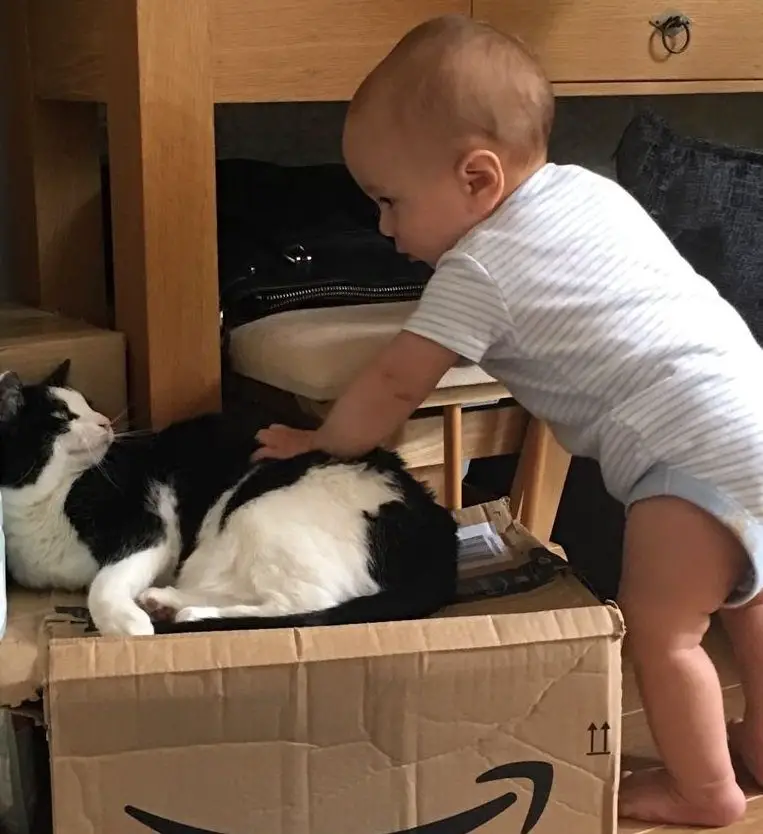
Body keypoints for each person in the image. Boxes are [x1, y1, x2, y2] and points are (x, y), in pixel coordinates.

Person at [253, 14, 763, 827]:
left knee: (664, 631)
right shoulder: (590, 190)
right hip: (747, 408)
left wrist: (323, 443)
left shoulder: (479, 265)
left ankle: (704, 792)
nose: (384, 228)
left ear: (477, 180)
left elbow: (393, 382)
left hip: (686, 450)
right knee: (747, 605)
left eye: (390, 202)